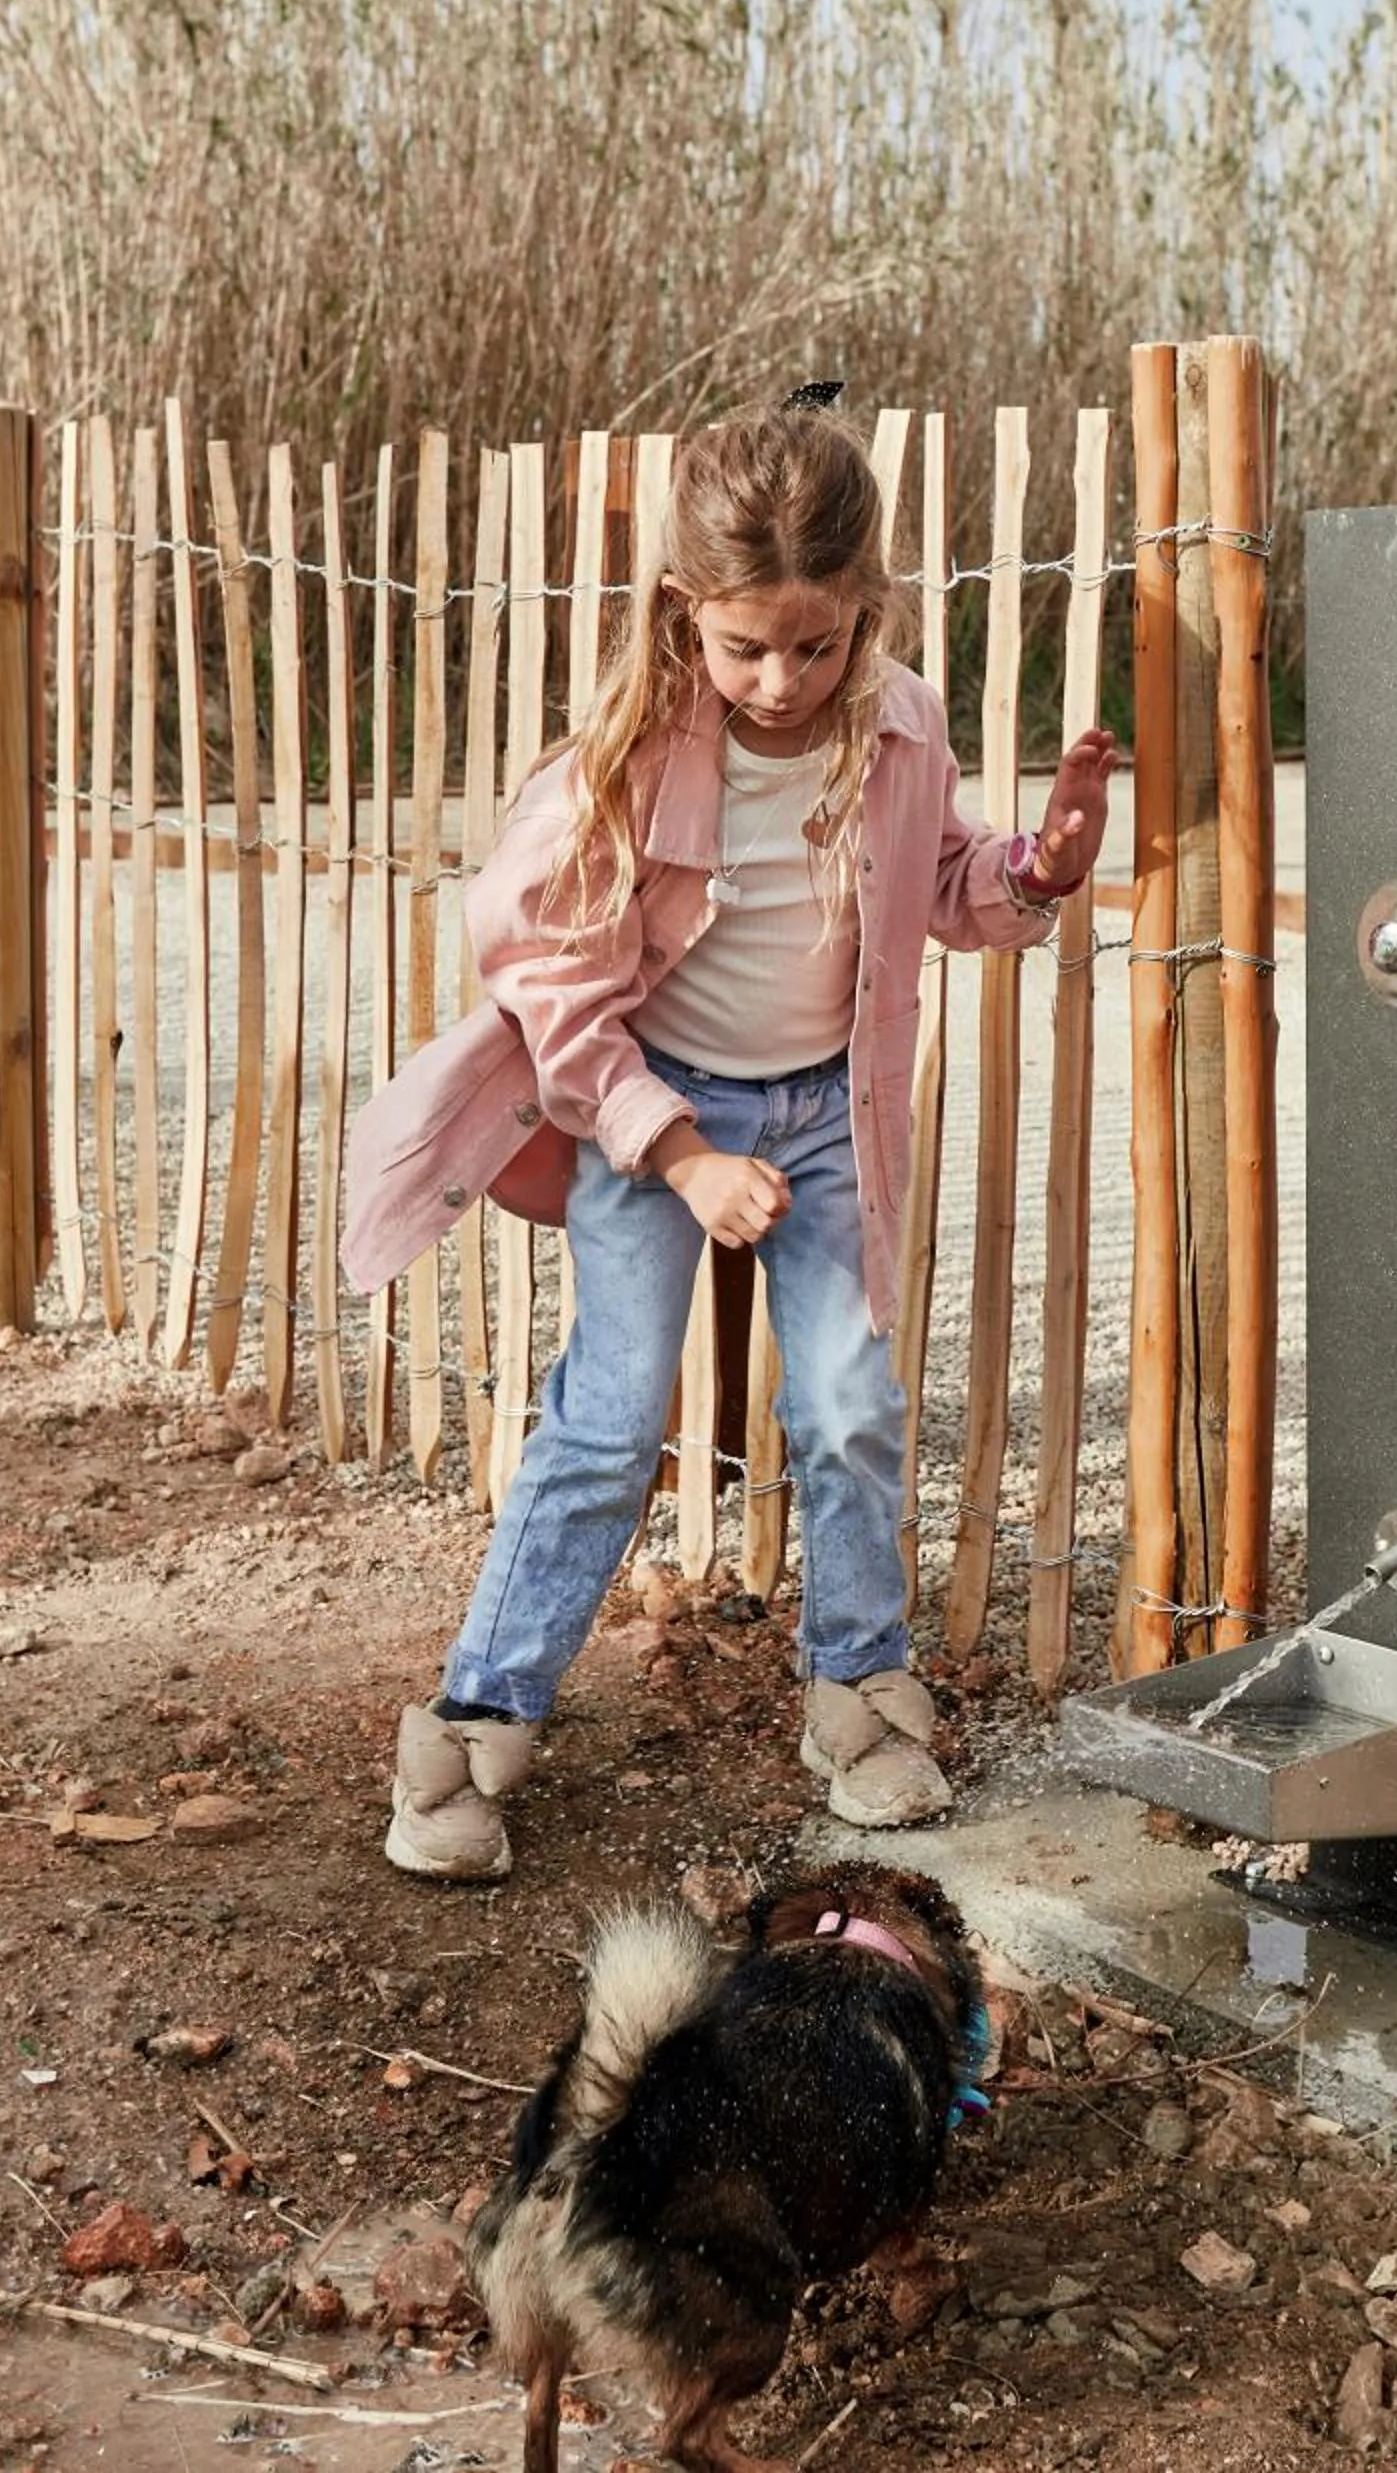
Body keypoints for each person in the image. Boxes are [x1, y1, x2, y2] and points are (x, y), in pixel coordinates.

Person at [341, 396, 1117, 1880]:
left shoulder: (897, 727)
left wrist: (1039, 866)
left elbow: (941, 887)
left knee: (845, 1402)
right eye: (746, 645)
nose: (781, 678)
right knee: (614, 1415)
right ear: (686, 613)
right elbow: (555, 991)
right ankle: (473, 1726)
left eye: (815, 645)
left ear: (866, 614)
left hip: (825, 1116)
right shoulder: (623, 762)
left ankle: (859, 1707)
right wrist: (679, 1149)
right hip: (652, 1107)